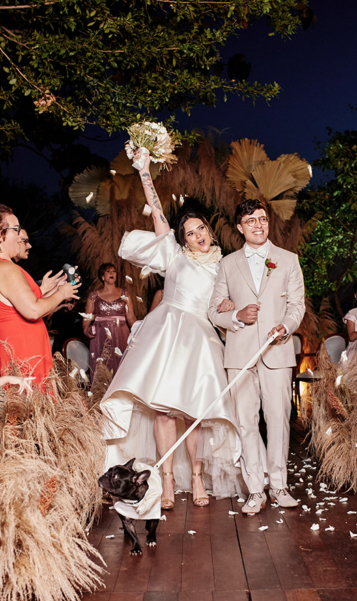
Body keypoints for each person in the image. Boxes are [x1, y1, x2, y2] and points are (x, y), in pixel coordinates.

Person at [101, 148, 243, 509]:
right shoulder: (175, 256)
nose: (198, 236)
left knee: (193, 411)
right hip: (166, 332)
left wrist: (230, 305)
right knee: (164, 411)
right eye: (190, 232)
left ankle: (196, 476)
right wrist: (145, 170)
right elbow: (159, 211)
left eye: (201, 229)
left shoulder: (225, 265)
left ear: (209, 231)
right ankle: (165, 479)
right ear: (182, 239)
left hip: (199, 337)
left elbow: (230, 302)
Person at [208, 198, 306, 516]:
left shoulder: (288, 260)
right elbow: (213, 309)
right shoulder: (227, 264)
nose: (258, 225)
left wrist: (287, 327)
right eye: (251, 221)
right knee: (246, 423)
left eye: (262, 219)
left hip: (276, 351)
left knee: (277, 420)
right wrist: (237, 315)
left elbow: (297, 305)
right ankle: (255, 489)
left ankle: (278, 486)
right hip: (239, 353)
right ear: (240, 227)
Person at [0, 204, 78, 385]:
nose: (19, 235)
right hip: (21, 355)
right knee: (25, 410)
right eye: (15, 229)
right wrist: (62, 293)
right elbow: (32, 310)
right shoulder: (6, 268)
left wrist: (54, 290)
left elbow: (18, 304)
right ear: (0, 235)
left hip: (7, 349)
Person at [84, 262, 136, 375]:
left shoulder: (125, 294)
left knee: (121, 368)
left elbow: (131, 317)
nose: (112, 273)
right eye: (108, 271)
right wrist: (85, 330)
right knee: (102, 368)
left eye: (114, 271)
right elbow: (87, 317)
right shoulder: (94, 296)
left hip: (121, 334)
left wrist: (141, 331)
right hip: (100, 336)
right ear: (103, 277)